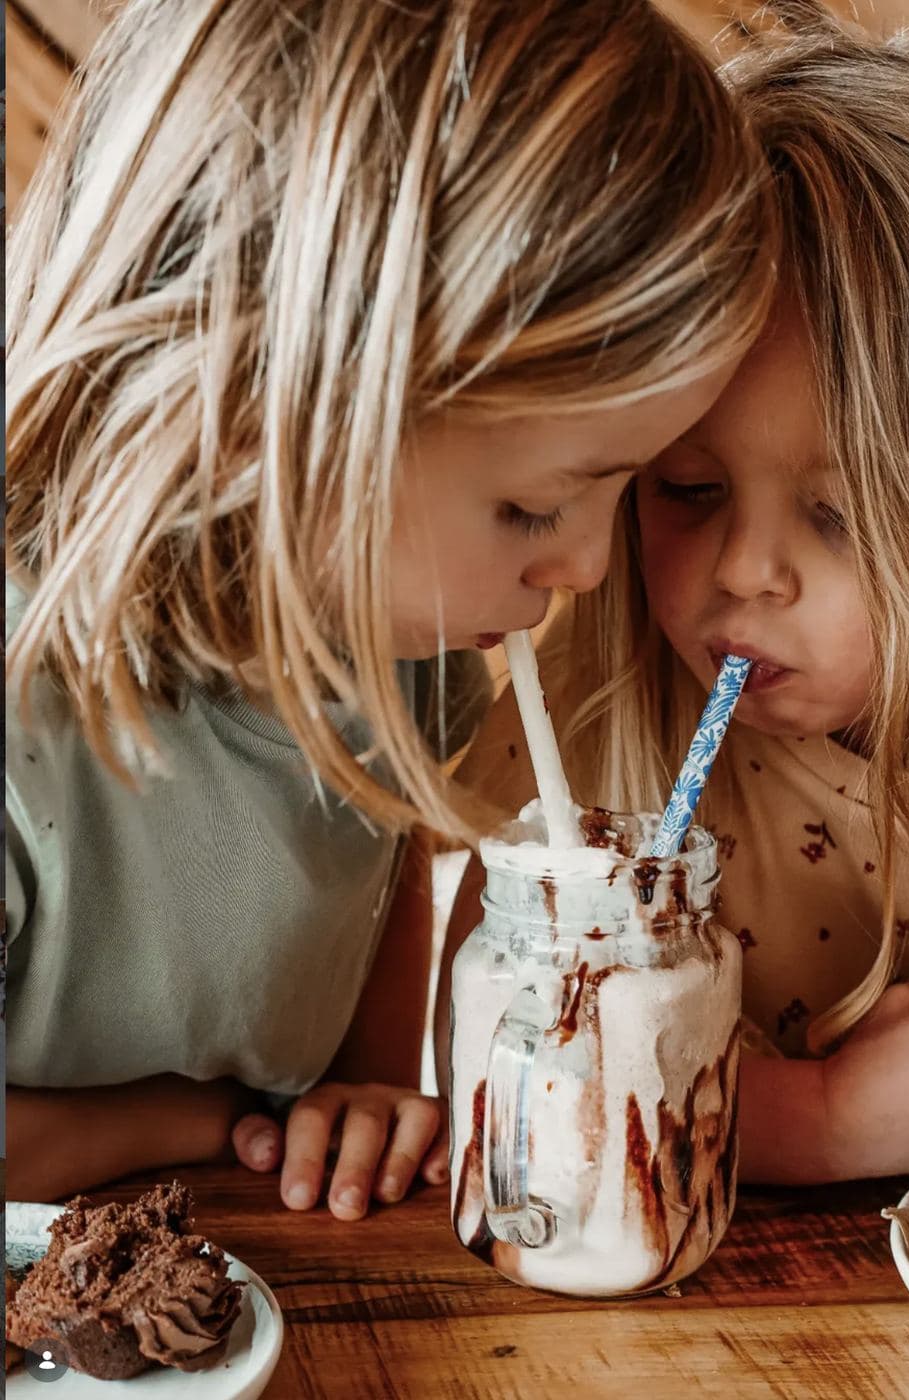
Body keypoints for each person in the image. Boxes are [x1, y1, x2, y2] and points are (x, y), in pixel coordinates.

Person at [5, 0, 777, 1214]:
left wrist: (357, 1091)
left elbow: (374, 868)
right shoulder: (23, 715)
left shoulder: (396, 649)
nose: (584, 566)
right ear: (258, 422)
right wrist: (214, 1122)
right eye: (533, 508)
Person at [443, 8, 909, 1179]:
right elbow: (494, 1091)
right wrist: (820, 1117)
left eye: (841, 515)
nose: (742, 570)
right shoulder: (591, 753)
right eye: (688, 486)